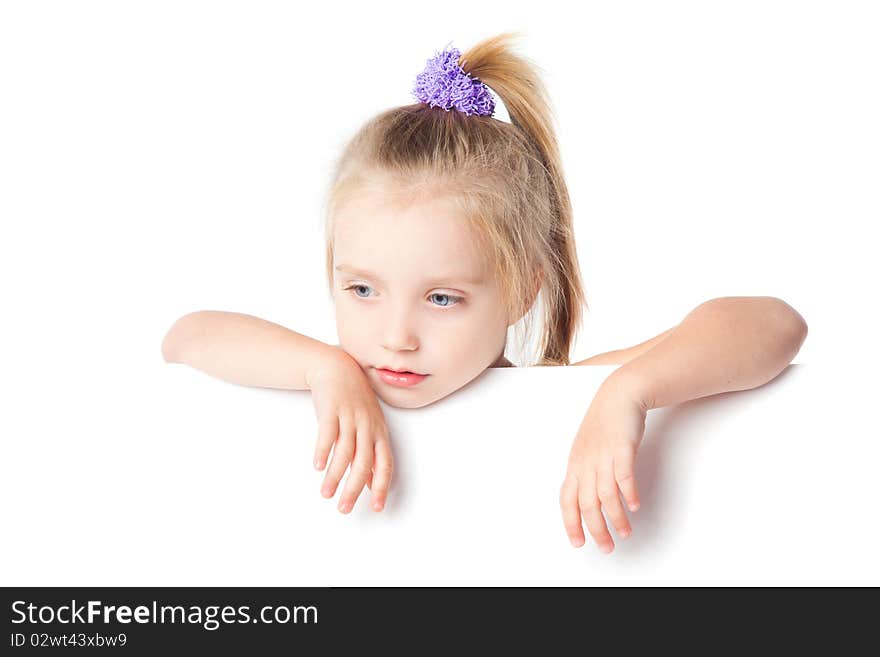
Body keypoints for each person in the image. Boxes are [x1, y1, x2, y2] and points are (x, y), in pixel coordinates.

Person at [161, 33, 808, 554]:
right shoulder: (326, 376)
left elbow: (778, 325)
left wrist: (627, 392)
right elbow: (186, 336)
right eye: (362, 288)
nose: (395, 335)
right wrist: (323, 365)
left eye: (441, 298)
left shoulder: (570, 402)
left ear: (524, 290)